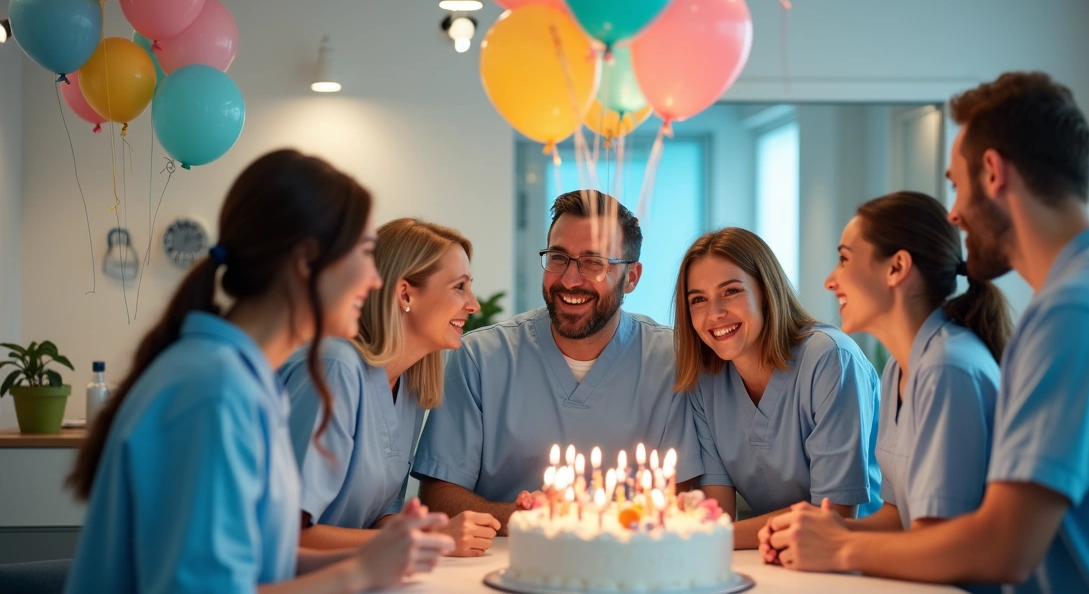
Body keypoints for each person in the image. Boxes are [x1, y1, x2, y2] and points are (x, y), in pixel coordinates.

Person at [764, 72, 1089, 593]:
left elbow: (1004, 548)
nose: (953, 213)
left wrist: (841, 546)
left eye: (956, 185)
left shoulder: (1079, 311)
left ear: (994, 172)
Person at [63, 150, 454, 593]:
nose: (375, 279)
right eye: (365, 255)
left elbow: (260, 560)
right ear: (306, 260)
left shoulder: (246, 381)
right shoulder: (213, 391)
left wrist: (378, 554)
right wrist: (359, 573)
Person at [413, 190, 704, 529]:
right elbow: (438, 495)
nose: (569, 279)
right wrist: (530, 521)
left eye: (594, 262)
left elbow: (686, 495)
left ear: (632, 277)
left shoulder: (671, 360)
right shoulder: (480, 358)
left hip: (633, 568)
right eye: (558, 257)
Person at [815, 192, 1008, 590]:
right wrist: (819, 534)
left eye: (845, 259)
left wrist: (838, 547)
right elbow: (897, 517)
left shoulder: (948, 369)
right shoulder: (900, 369)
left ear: (897, 268)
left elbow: (940, 549)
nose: (831, 279)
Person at [280, 218, 501, 557]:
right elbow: (288, 535)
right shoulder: (334, 368)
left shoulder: (411, 385)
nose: (473, 305)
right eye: (459, 286)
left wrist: (427, 530)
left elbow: (376, 518)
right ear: (405, 293)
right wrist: (420, 541)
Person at [674, 227, 882, 550]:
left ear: (766, 291)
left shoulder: (830, 360)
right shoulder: (707, 382)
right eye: (698, 299)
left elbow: (834, 515)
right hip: (777, 558)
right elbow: (719, 518)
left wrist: (705, 536)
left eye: (730, 291)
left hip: (859, 564)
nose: (714, 313)